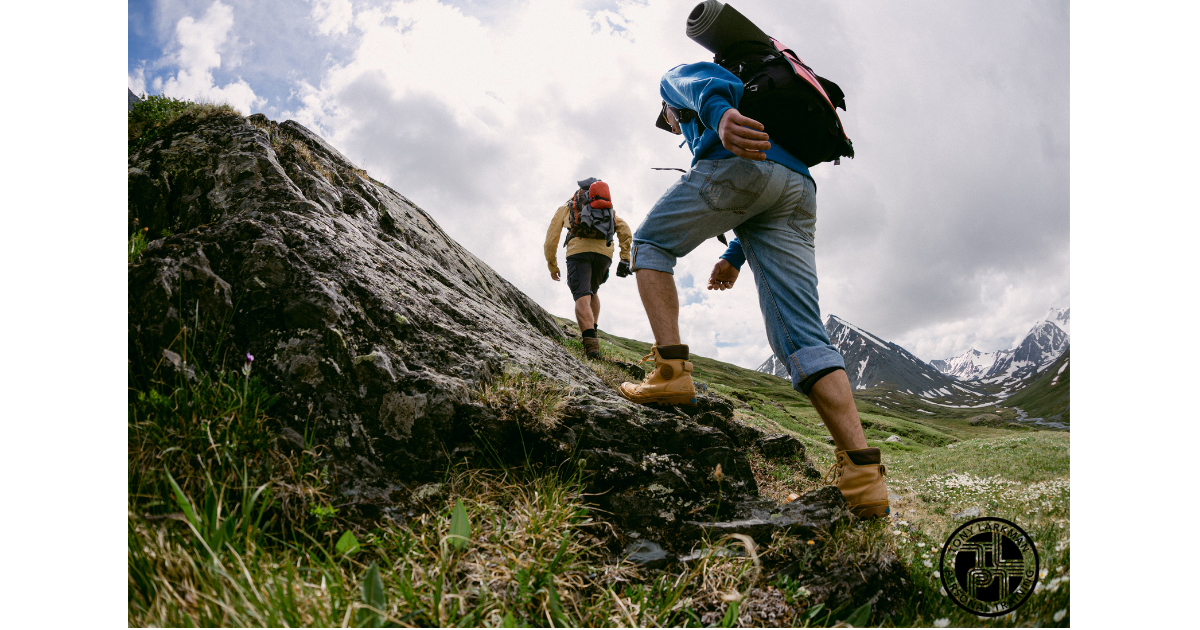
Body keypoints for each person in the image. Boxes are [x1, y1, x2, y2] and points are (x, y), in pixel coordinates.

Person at [620, 62, 889, 518]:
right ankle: (863, 480)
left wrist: (720, 116)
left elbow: (703, 82)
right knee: (804, 337)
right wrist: (733, 257)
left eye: (666, 120)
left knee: (649, 245)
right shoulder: (773, 122)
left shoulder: (674, 83)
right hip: (798, 187)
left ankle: (670, 374)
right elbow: (763, 197)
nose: (669, 124)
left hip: (740, 166)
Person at [544, 178, 633, 360]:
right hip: (604, 255)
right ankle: (593, 333)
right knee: (592, 292)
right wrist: (625, 257)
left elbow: (551, 238)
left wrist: (552, 264)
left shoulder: (568, 207)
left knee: (582, 296)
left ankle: (591, 348)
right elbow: (625, 230)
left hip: (579, 253)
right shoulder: (607, 210)